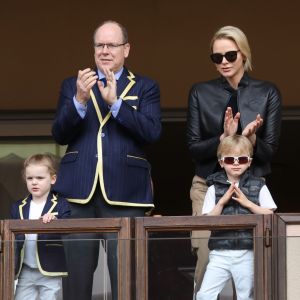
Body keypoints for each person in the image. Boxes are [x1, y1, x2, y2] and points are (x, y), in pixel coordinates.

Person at [52, 20, 161, 300]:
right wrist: (79, 99)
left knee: (126, 281)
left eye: (111, 45)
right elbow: (60, 134)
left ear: (126, 49)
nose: (104, 51)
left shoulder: (146, 86)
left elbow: (151, 132)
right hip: (78, 194)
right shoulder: (73, 84)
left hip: (126, 193)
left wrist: (116, 104)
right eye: (99, 45)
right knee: (76, 284)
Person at [186, 25, 282, 297]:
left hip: (251, 188)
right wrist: (223, 138)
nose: (224, 62)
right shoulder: (200, 92)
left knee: (253, 267)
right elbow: (193, 148)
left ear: (244, 54)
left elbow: (270, 151)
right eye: (217, 58)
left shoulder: (267, 92)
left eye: (230, 55)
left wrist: (250, 139)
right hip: (208, 186)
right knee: (206, 260)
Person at [196, 135, 277, 300]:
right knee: (204, 295)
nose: (235, 163)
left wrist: (248, 204)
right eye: (229, 159)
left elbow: (270, 215)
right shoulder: (213, 188)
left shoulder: (258, 185)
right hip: (219, 252)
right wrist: (222, 203)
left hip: (247, 251)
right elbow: (207, 220)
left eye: (241, 159)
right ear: (221, 162)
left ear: (249, 162)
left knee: (246, 296)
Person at [10, 153, 70, 300]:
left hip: (49, 268)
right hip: (25, 269)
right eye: (30, 178)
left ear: (53, 179)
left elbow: (68, 228)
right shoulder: (18, 206)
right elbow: (12, 236)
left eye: (40, 178)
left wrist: (56, 220)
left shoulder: (61, 204)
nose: (34, 182)